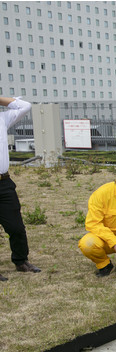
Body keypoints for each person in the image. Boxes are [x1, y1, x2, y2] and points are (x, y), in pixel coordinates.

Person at [0, 96, 41, 281]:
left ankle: (21, 260)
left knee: (16, 226)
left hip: (4, 182)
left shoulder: (2, 119)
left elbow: (25, 106)